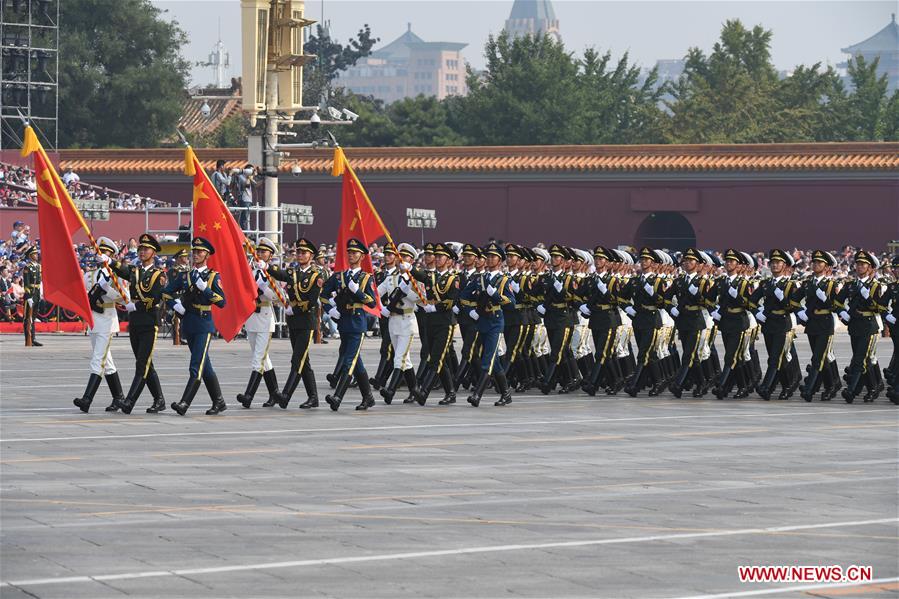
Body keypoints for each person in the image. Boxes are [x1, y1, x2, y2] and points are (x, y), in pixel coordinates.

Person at [164, 237, 227, 416]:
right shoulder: (185, 275)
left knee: (195, 366)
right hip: (189, 323)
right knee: (204, 366)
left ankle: (184, 403)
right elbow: (166, 292)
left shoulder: (213, 276)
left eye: (200, 252)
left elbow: (222, 302)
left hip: (204, 324)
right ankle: (219, 401)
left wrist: (205, 289)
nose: (196, 254)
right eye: (195, 251)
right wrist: (175, 305)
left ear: (207, 254)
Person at [109, 233, 167, 414]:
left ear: (154, 253)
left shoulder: (159, 275)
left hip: (149, 322)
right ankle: (159, 399)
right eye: (141, 249)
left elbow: (154, 297)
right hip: (135, 323)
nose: (142, 252)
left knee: (142, 364)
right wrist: (109, 261)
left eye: (146, 249)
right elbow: (123, 270)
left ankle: (130, 401)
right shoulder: (135, 271)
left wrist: (136, 305)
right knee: (145, 362)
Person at [321, 238, 379, 411]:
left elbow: (371, 303)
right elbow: (323, 294)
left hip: (357, 323)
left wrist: (357, 291)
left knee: (348, 361)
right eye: (349, 252)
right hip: (343, 321)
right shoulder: (339, 276)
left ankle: (337, 397)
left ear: (362, 256)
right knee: (355, 361)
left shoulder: (366, 278)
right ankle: (368, 397)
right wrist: (330, 310)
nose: (351, 255)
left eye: (355, 253)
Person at [268, 238, 324, 408]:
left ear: (311, 256)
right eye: (298, 252)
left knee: (297, 359)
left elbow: (312, 300)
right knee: (304, 361)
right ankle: (313, 397)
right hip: (293, 321)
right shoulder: (293, 272)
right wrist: (267, 268)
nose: (300, 255)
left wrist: (296, 310)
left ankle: (285, 396)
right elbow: (281, 274)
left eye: (304, 253)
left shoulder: (317, 275)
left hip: (307, 321)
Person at [459, 242, 515, 407]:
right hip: (481, 321)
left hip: (495, 323)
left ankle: (477, 395)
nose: (489, 259)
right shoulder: (480, 278)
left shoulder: (504, 280)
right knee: (495, 362)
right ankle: (506, 393)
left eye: (493, 257)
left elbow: (511, 303)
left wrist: (496, 295)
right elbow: (463, 296)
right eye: (488, 256)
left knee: (488, 360)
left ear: (500, 260)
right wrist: (470, 310)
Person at [73, 238, 126, 412]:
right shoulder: (91, 274)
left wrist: (106, 289)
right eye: (99, 252)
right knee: (107, 361)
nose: (100, 255)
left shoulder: (114, 275)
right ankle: (119, 397)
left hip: (107, 319)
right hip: (94, 320)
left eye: (105, 253)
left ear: (110, 256)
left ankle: (87, 399)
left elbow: (124, 298)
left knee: (98, 359)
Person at [409, 242, 459, 406]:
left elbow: (451, 301)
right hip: (431, 322)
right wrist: (409, 268)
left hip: (445, 323)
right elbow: (421, 276)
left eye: (441, 257)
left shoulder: (453, 279)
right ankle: (451, 392)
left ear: (449, 261)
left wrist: (435, 307)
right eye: (436, 256)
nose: (437, 259)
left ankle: (423, 392)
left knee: (436, 359)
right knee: (440, 360)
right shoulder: (431, 276)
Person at [235, 237, 283, 409]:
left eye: (265, 252)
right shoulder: (252, 271)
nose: (261, 254)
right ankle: (275, 394)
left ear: (271, 256)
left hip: (264, 316)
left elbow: (279, 297)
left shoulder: (272, 273)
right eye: (259, 251)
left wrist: (264, 288)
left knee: (258, 360)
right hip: (251, 318)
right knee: (264, 359)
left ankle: (248, 396)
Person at [377, 242, 425, 404]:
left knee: (399, 358)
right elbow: (377, 293)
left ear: (411, 261)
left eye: (405, 257)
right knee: (406, 360)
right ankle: (416, 391)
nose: (401, 260)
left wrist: (407, 292)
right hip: (393, 321)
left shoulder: (415, 278)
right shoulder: (391, 278)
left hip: (407, 321)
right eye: (400, 256)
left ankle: (390, 391)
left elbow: (422, 300)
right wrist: (382, 308)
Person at [837, 249, 887, 403]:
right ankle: (874, 388)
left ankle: (851, 391)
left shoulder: (876, 286)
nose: (859, 267)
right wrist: (842, 312)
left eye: (863, 265)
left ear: (870, 268)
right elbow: (837, 301)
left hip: (869, 326)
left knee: (860, 360)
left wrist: (868, 298)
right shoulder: (850, 285)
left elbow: (880, 308)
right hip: (854, 326)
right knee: (864, 360)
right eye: (858, 264)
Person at [750, 249, 800, 401]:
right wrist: (757, 313)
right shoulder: (766, 284)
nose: (774, 265)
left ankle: (766, 387)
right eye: (772, 263)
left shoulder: (790, 285)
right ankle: (788, 386)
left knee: (775, 358)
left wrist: (783, 299)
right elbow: (751, 300)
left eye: (778, 263)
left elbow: (793, 306)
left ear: (784, 265)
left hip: (782, 324)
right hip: (768, 324)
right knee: (777, 358)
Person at [620, 247, 666, 397]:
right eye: (642, 259)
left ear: (652, 262)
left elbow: (662, 302)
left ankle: (634, 385)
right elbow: (621, 297)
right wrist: (628, 309)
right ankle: (658, 382)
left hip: (652, 319)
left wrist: (653, 293)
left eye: (647, 259)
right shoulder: (635, 281)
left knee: (644, 353)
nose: (644, 262)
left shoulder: (658, 281)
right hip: (638, 319)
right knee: (649, 354)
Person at [797, 250, 840, 402]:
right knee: (822, 358)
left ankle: (810, 389)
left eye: (819, 263)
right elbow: (795, 300)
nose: (816, 265)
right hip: (811, 323)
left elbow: (837, 305)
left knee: (818, 358)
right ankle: (832, 385)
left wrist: (827, 301)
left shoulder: (831, 284)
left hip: (825, 323)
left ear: (827, 267)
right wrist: (799, 312)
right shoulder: (808, 283)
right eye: (814, 262)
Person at [370, 244, 399, 390]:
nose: (387, 257)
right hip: (382, 313)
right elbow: (374, 292)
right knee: (391, 347)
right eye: (386, 254)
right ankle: (399, 377)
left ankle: (379, 378)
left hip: (394, 313)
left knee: (387, 348)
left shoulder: (399, 274)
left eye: (390, 254)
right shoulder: (379, 274)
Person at [21, 243, 41, 347]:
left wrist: (40, 293)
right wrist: (28, 297)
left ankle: (33, 338)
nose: (37, 255)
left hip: (37, 294)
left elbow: (39, 281)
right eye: (35, 254)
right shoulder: (27, 267)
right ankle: (28, 339)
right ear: (30, 256)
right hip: (30, 294)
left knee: (34, 317)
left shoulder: (38, 266)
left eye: (37, 254)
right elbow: (26, 283)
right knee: (28, 318)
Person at [168, 248, 190, 345]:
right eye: (183, 257)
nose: (186, 258)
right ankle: (178, 338)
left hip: (187, 297)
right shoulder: (174, 271)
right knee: (177, 318)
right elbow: (173, 286)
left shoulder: (189, 269)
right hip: (177, 297)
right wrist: (176, 299)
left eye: (186, 256)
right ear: (178, 259)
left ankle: (186, 336)